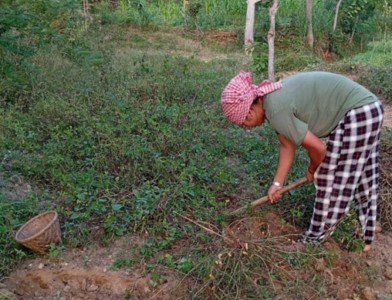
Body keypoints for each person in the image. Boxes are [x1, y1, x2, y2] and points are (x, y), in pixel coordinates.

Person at [221, 71, 384, 252]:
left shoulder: (275, 109)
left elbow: (319, 149)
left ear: (249, 111)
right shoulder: (272, 102)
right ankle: (366, 236)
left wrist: (314, 168)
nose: (246, 127)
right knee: (363, 176)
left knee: (329, 178)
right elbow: (287, 146)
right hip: (369, 109)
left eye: (243, 123)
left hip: (359, 113)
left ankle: (313, 241)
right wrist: (277, 184)